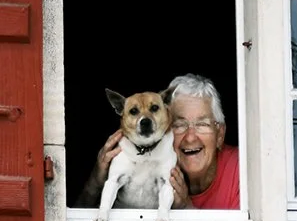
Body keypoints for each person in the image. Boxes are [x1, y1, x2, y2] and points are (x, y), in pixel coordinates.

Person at [76, 73, 240, 211]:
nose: (190, 137)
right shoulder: (145, 165)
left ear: (220, 134)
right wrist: (96, 181)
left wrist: (186, 208)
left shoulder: (243, 170)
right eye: (179, 124)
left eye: (202, 124)